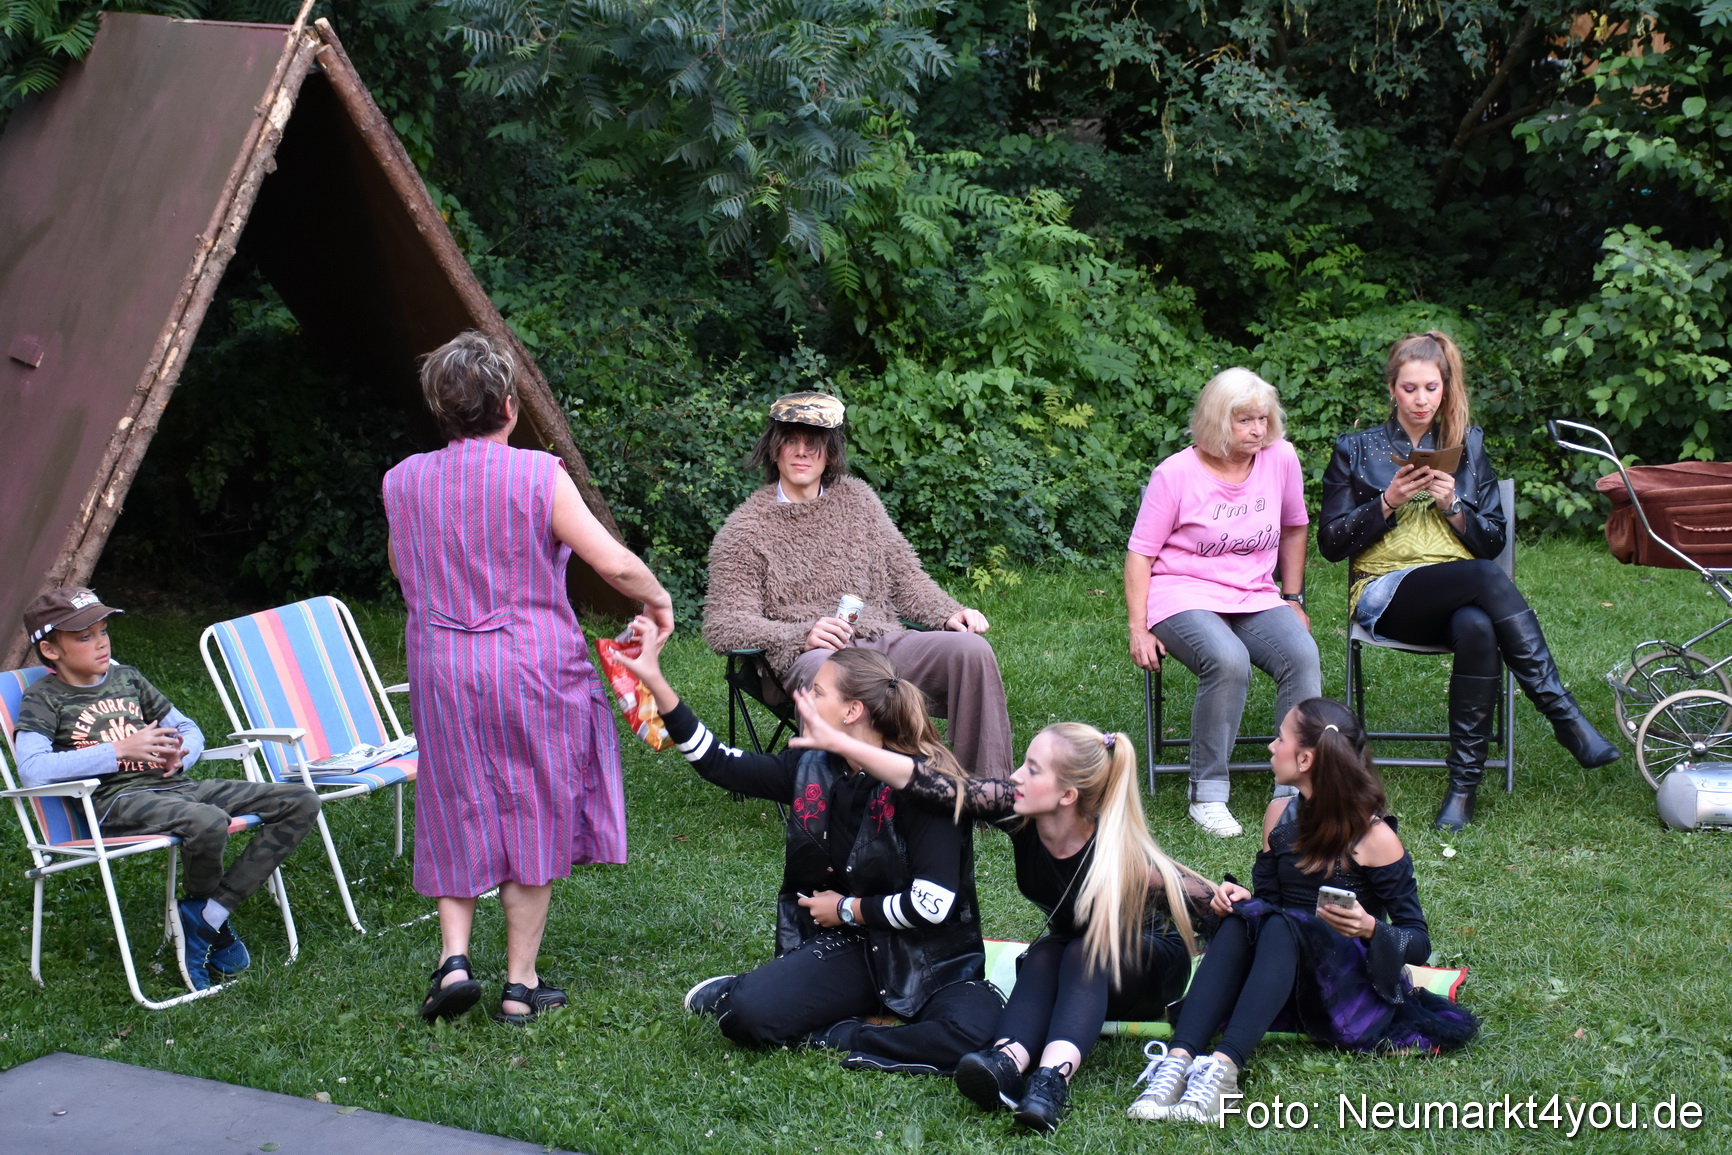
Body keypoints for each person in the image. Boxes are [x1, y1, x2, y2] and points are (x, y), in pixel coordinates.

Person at [383, 330, 675, 1024]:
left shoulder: (401, 480)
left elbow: (403, 572)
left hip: (442, 665)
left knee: (453, 800)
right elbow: (614, 563)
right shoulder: (537, 476)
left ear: (442, 411)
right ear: (509, 407)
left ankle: (453, 961)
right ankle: (519, 983)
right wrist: (657, 599)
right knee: (535, 807)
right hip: (529, 665)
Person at [611, 623, 1002, 1074]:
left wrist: (848, 909)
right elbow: (718, 761)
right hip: (853, 948)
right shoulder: (811, 765)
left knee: (974, 1034)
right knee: (747, 1015)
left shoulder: (925, 786)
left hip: (932, 958)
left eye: (816, 692)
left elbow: (932, 906)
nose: (804, 699)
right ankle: (753, 995)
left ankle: (837, 1034)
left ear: (852, 711)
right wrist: (656, 682)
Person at [831, 718, 1216, 1133]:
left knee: (1080, 949)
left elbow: (1209, 904)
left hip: (1148, 969)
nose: (1015, 775)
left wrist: (1233, 903)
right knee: (1047, 951)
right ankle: (1007, 1063)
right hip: (1074, 954)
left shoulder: (1122, 858)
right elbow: (936, 785)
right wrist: (840, 741)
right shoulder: (1021, 815)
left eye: (1032, 769)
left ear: (1067, 795)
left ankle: (1052, 1081)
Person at [1128, 698, 1479, 1125]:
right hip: (1279, 977)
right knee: (1253, 920)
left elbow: (1418, 941)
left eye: (1280, 739)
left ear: (1307, 758)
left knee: (1279, 925)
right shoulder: (1279, 814)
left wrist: (1370, 928)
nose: (1271, 747)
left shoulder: (1374, 837)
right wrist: (1238, 899)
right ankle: (1177, 1062)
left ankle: (1223, 1069)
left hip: (1344, 988)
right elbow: (1269, 901)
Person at [1319, 330, 1618, 830]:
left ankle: (1463, 788)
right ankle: (1562, 712)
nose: (1421, 400)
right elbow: (1331, 543)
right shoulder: (1356, 448)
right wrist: (1387, 501)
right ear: (1392, 387)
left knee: (1479, 625)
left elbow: (1492, 538)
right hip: (1385, 593)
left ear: (1445, 388)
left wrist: (1453, 506)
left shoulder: (1466, 444)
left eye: (1431, 388)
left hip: (1457, 592)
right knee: (1482, 578)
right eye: (1410, 388)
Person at [13, 587, 320, 991]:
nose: (101, 642)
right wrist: (116, 751)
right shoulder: (44, 698)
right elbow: (32, 770)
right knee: (209, 822)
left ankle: (209, 914)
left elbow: (188, 728)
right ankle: (209, 922)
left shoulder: (128, 678)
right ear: (51, 651)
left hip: (177, 785)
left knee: (300, 800)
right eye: (84, 637)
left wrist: (182, 753)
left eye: (103, 631)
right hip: (118, 802)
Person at [703, 391, 1014, 779]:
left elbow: (906, 576)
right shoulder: (744, 530)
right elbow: (724, 624)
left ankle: (986, 793)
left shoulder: (859, 502)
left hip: (880, 642)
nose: (801, 453)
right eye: (790, 442)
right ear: (773, 451)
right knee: (827, 677)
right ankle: (830, 812)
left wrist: (950, 612)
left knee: (972, 651)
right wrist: (801, 634)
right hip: (812, 658)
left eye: (813, 444)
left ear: (830, 454)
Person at [1125, 368, 1321, 838]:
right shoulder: (1175, 474)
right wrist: (1138, 626)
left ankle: (1296, 791)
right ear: (1217, 421)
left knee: (1302, 654)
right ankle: (1207, 793)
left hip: (1254, 591)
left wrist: (1292, 596)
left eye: (1263, 418)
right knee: (1228, 660)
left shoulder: (1280, 459)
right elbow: (1140, 554)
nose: (1258, 429)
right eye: (1245, 420)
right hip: (1182, 592)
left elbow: (1295, 525)